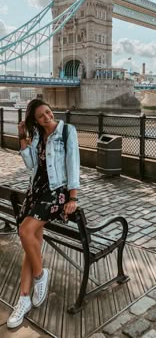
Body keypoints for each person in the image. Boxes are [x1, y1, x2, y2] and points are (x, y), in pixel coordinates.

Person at [7, 99, 80, 329]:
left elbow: (73, 163)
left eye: (48, 112)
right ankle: (23, 299)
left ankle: (40, 276)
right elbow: (30, 164)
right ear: (35, 120)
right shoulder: (38, 135)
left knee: (24, 231)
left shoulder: (67, 131)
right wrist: (23, 137)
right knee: (32, 244)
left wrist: (73, 197)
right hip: (35, 191)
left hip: (55, 191)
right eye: (41, 116)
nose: (47, 117)